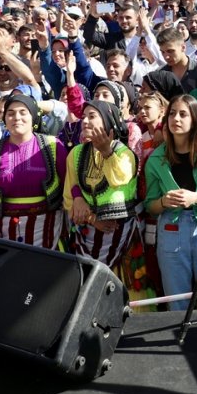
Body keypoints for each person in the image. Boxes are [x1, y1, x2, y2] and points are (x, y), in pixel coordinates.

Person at [143, 95, 197, 311]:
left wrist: (195, 197)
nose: (175, 119)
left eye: (183, 114)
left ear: (195, 119)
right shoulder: (155, 158)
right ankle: (178, 343)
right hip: (170, 229)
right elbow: (149, 206)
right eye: (171, 113)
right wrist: (163, 201)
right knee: (176, 299)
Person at [0, 95, 69, 251]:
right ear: (4, 119)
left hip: (47, 231)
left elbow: (69, 184)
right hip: (4, 232)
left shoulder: (52, 146)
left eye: (23, 112)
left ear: (33, 117)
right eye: (10, 113)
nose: (16, 117)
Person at [64, 101, 139, 269]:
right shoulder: (76, 153)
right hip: (87, 229)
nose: (84, 121)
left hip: (117, 230)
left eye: (92, 116)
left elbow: (120, 179)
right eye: (83, 117)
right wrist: (91, 218)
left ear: (107, 121)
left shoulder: (124, 153)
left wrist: (107, 152)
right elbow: (69, 193)